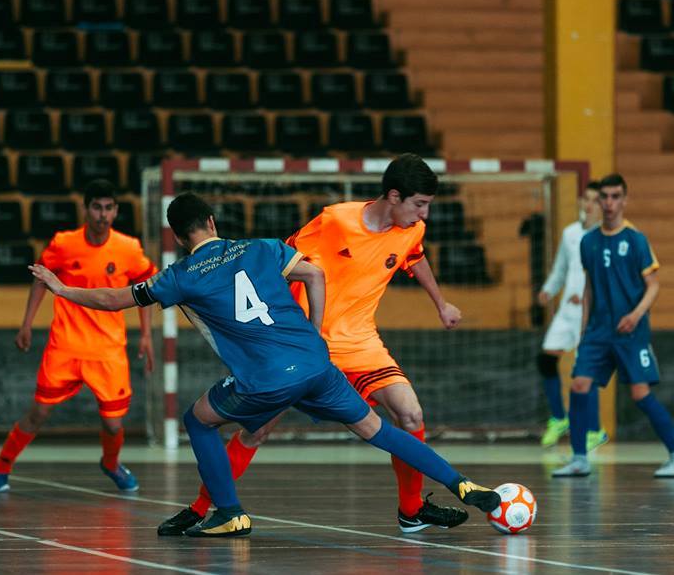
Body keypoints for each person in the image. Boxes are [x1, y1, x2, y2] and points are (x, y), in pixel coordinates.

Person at [28, 192, 503, 538]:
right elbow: (314, 273)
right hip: (316, 363)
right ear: (213, 221)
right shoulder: (261, 247)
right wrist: (315, 331)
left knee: (198, 419)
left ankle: (229, 512)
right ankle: (461, 483)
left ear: (178, 235)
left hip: (263, 377)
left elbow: (116, 298)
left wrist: (62, 289)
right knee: (380, 431)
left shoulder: (180, 276)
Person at [158, 153, 469, 536]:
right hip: (307, 346)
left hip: (361, 342)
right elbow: (283, 265)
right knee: (257, 431)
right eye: (419, 204)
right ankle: (202, 507)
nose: (424, 215)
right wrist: (280, 335)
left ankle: (412, 510)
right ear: (393, 196)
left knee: (411, 415)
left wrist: (440, 304)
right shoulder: (335, 220)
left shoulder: (412, 229)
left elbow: (414, 258)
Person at [0, 180, 157, 494]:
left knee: (114, 424)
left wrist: (145, 334)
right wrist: (26, 323)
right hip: (66, 344)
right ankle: (1, 467)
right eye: (96, 207)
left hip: (108, 349)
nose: (102, 215)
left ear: (116, 211)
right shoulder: (64, 243)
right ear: (85, 209)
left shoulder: (128, 248)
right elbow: (40, 279)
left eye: (108, 208)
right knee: (39, 412)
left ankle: (111, 463)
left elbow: (144, 288)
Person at [552, 173, 674, 479]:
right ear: (599, 201)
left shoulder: (636, 240)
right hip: (598, 332)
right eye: (605, 197)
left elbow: (653, 285)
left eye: (616, 196)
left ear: (625, 200)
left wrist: (636, 314)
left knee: (640, 394)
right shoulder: (588, 242)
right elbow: (588, 287)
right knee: (579, 385)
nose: (610, 203)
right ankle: (579, 458)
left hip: (631, 331)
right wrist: (584, 330)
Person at [537, 181, 607, 450]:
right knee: (546, 359)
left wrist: (591, 296)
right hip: (568, 310)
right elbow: (561, 269)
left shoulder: (605, 236)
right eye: (586, 199)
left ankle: (595, 430)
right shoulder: (570, 234)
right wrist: (549, 290)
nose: (589, 205)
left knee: (584, 370)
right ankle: (558, 417)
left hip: (592, 313)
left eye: (595, 201)